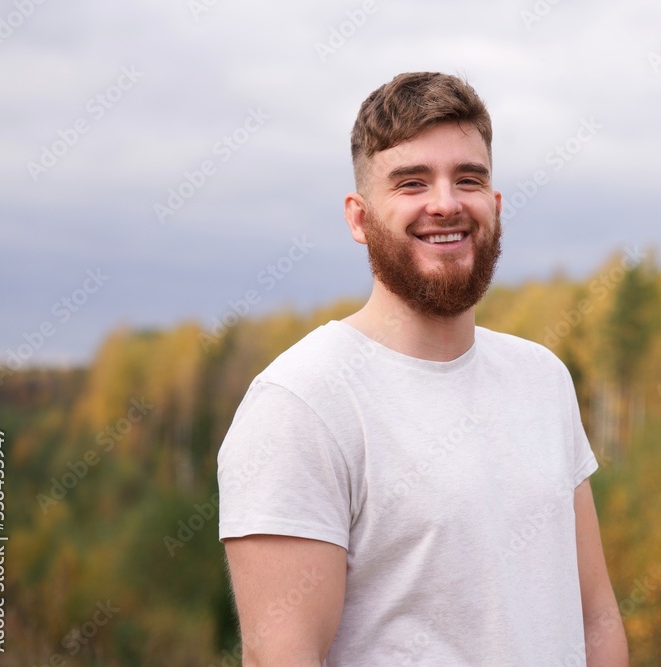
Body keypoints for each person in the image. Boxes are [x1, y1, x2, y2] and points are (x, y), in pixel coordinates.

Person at [218, 71, 628, 666]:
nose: (445, 203)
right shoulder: (300, 403)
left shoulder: (542, 379)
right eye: (412, 182)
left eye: (468, 179)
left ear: (494, 204)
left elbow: (597, 618)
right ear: (358, 218)